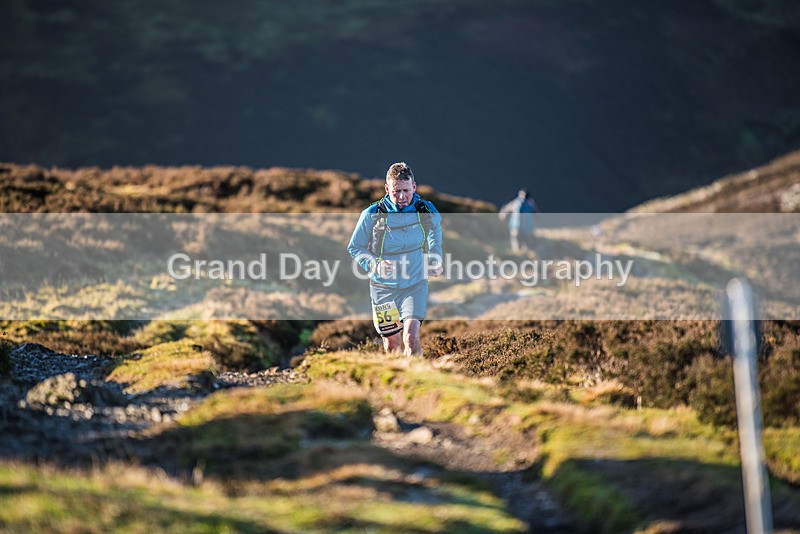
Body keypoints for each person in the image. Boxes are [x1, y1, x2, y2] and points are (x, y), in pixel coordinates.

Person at [347, 162, 443, 356]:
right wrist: (375, 264)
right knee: (392, 343)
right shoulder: (372, 215)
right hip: (383, 288)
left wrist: (435, 257)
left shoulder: (425, 210)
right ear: (387, 188)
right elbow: (355, 247)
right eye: (396, 191)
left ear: (414, 187)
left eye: (406, 191)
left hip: (415, 283)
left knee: (411, 336)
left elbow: (434, 232)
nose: (401, 197)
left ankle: (417, 380)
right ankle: (395, 381)